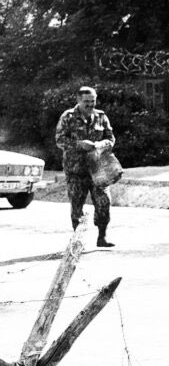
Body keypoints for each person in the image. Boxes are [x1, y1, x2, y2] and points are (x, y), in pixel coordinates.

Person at [55, 86, 116, 247]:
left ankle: (102, 237)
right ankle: (77, 241)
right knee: (77, 204)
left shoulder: (101, 116)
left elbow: (110, 138)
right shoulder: (67, 117)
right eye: (86, 101)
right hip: (76, 169)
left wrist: (101, 144)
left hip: (98, 168)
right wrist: (79, 144)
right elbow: (60, 140)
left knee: (104, 202)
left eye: (92, 101)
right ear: (78, 100)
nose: (90, 104)